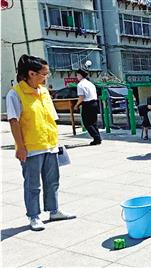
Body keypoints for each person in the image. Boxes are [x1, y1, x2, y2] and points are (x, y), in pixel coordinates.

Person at [6, 55, 76, 231]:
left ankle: (54, 210)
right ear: (31, 73)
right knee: (32, 184)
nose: (46, 77)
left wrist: (57, 142)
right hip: (31, 148)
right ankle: (34, 216)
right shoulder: (15, 94)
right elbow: (14, 121)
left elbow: (51, 117)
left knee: (52, 181)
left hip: (50, 144)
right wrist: (20, 147)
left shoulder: (43, 91)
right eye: (44, 74)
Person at [73, 68, 101, 145]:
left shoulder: (80, 85)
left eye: (77, 75)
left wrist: (76, 105)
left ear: (80, 75)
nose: (77, 77)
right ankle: (97, 138)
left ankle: (96, 138)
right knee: (93, 122)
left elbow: (81, 97)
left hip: (87, 104)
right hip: (94, 103)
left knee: (87, 123)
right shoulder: (90, 84)